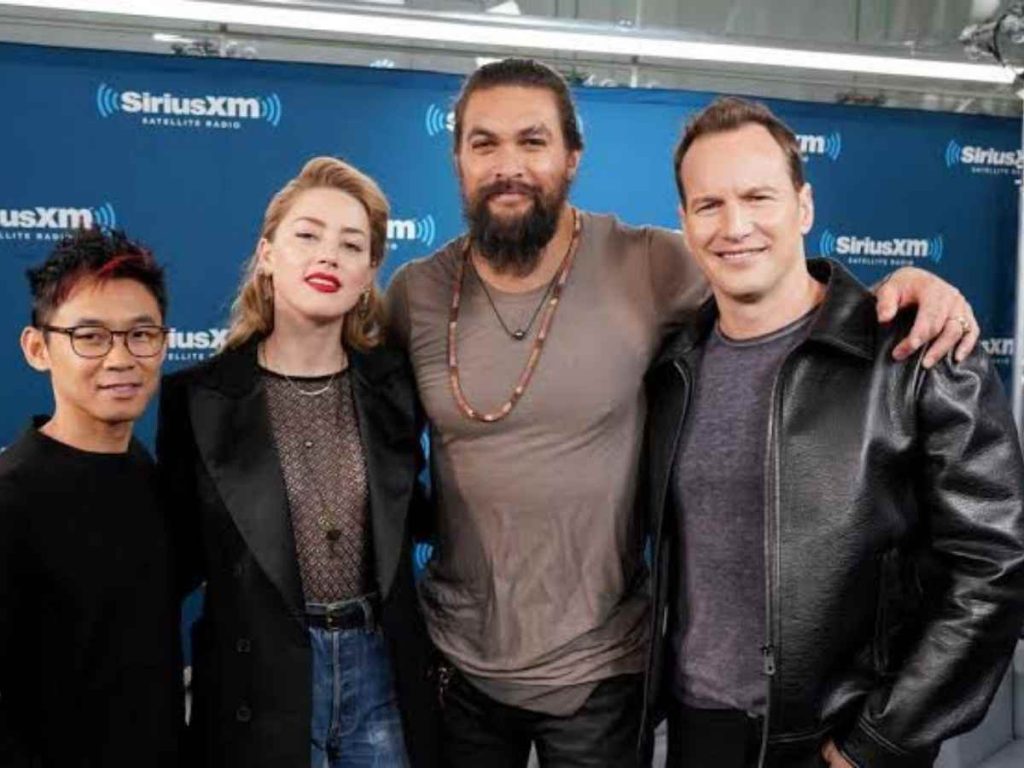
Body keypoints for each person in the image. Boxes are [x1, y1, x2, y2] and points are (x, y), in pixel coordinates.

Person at [384, 57, 981, 768]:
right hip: (459, 666)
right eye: (484, 143)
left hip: (605, 674)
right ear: (457, 158)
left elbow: (774, 272)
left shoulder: (649, 264)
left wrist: (908, 289)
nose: (508, 164)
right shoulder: (415, 294)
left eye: (533, 141)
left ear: (573, 157)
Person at [641, 96, 1024, 768]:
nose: (736, 226)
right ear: (685, 222)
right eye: (709, 205)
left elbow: (996, 567)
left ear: (804, 207)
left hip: (839, 743)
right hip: (697, 732)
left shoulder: (918, 355)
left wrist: (875, 741)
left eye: (758, 197)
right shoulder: (672, 367)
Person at [156, 157, 438, 768]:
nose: (328, 256)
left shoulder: (396, 389)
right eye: (307, 235)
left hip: (380, 673)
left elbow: (420, 519)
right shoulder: (198, 399)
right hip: (257, 677)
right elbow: (172, 564)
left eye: (351, 244)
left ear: (368, 274)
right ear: (267, 254)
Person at [0, 228, 183, 767]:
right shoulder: (11, 500)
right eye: (91, 336)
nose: (120, 357)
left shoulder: (147, 474)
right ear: (38, 349)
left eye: (140, 334)